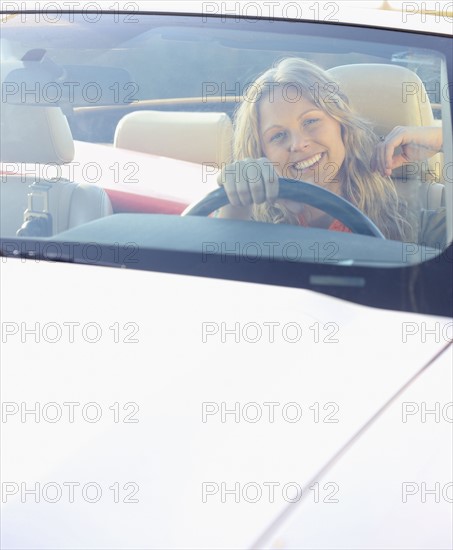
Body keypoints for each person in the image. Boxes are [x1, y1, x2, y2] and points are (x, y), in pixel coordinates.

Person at [216, 58, 445, 246]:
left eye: (311, 121)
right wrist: (236, 206)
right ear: (261, 153)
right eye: (277, 135)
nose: (298, 144)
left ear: (342, 124)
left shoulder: (410, 225)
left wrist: (441, 138)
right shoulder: (252, 223)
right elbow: (213, 285)